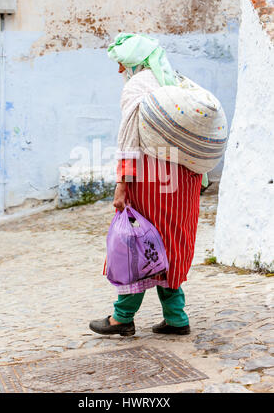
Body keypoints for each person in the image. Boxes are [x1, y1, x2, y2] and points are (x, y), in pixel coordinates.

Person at [89, 33, 202, 337]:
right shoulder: (174, 82)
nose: (119, 70)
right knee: (170, 245)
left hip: (151, 180)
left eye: (122, 63)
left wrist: (122, 184)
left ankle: (122, 318)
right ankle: (176, 319)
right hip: (184, 182)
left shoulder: (138, 86)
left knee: (136, 244)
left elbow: (129, 140)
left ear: (135, 62)